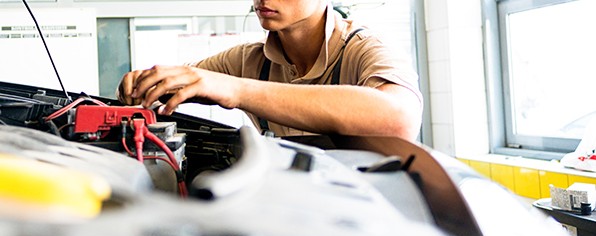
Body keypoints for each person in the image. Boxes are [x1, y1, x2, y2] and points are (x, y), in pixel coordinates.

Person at [116, 0, 423, 142]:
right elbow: (178, 84)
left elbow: (399, 119)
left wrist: (237, 90)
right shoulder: (248, 61)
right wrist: (141, 84)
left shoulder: (363, 49)